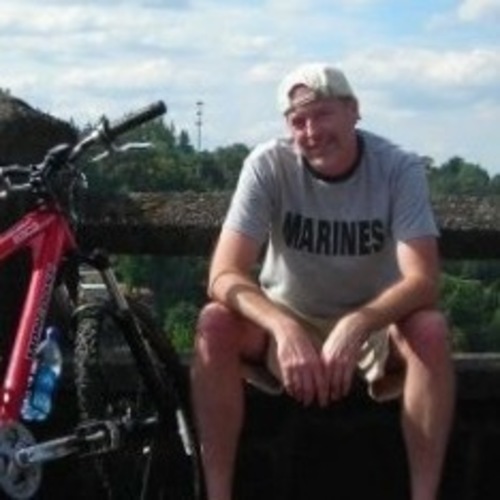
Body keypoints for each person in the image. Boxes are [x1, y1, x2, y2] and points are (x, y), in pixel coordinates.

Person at [191, 62, 456, 500]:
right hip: (286, 318)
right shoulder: (268, 164)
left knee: (430, 330)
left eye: (323, 114)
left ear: (354, 111)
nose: (312, 131)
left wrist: (358, 323)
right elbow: (223, 273)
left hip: (375, 327)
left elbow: (423, 280)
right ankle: (217, 492)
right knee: (214, 324)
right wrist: (283, 327)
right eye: (299, 121)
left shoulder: (398, 168)